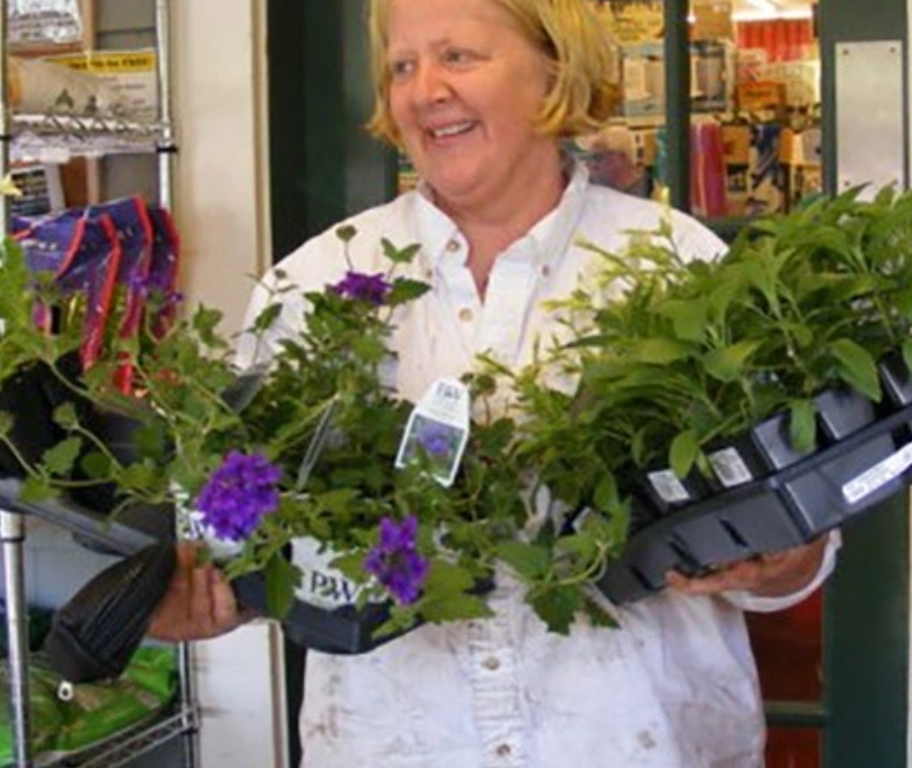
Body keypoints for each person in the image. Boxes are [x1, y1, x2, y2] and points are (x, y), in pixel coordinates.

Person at [148, 1, 839, 766]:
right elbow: (266, 541)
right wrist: (215, 590)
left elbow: (790, 553)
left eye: (458, 57)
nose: (422, 90)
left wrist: (782, 556)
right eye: (403, 66)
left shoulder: (678, 267)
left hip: (630, 743)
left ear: (553, 68)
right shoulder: (312, 284)